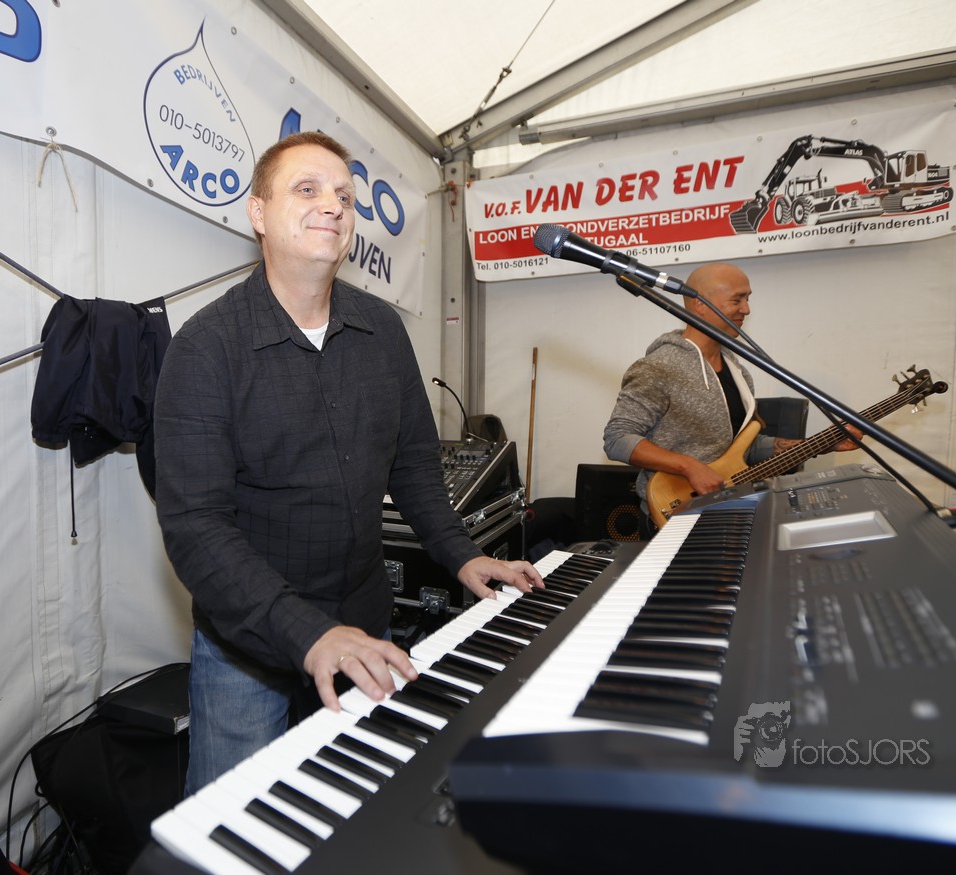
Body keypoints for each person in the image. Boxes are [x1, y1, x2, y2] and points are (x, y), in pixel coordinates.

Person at [154, 131, 544, 795]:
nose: (332, 205)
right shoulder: (205, 348)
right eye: (307, 189)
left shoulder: (381, 330)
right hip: (246, 649)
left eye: (343, 195)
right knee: (236, 821)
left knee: (349, 807)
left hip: (364, 624)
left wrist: (462, 555)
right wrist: (309, 633)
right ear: (258, 213)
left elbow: (414, 465)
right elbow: (196, 527)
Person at [603, 262, 858, 521]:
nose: (746, 309)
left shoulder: (738, 371)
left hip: (726, 510)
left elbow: (746, 447)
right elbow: (617, 439)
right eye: (737, 300)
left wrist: (821, 444)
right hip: (675, 511)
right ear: (700, 304)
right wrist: (689, 466)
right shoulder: (658, 367)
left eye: (747, 299)